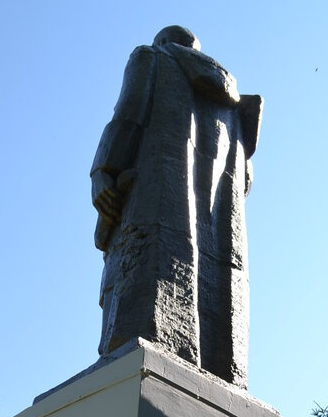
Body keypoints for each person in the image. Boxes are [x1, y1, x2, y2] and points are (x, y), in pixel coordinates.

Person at [91, 25, 262, 388]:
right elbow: (245, 181)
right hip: (214, 246)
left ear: (164, 43)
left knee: (137, 307)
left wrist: (103, 172)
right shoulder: (235, 111)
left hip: (153, 207)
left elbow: (128, 117)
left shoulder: (151, 58)